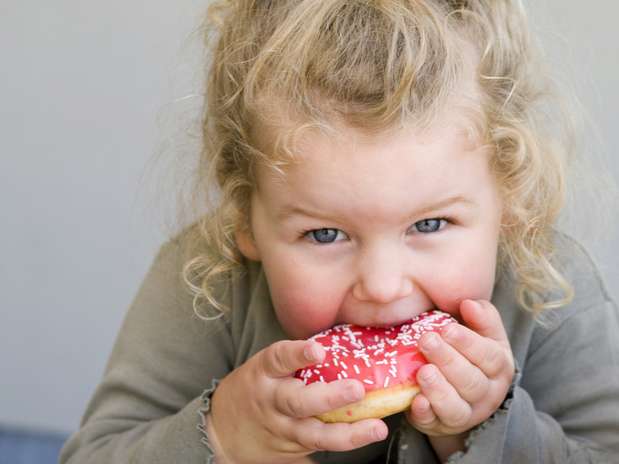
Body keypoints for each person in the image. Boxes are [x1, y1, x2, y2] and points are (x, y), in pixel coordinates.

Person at [59, 1, 619, 463]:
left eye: (429, 224)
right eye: (325, 235)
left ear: (511, 202)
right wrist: (225, 436)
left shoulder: (549, 287)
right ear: (244, 220)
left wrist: (481, 428)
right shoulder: (208, 276)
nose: (381, 286)